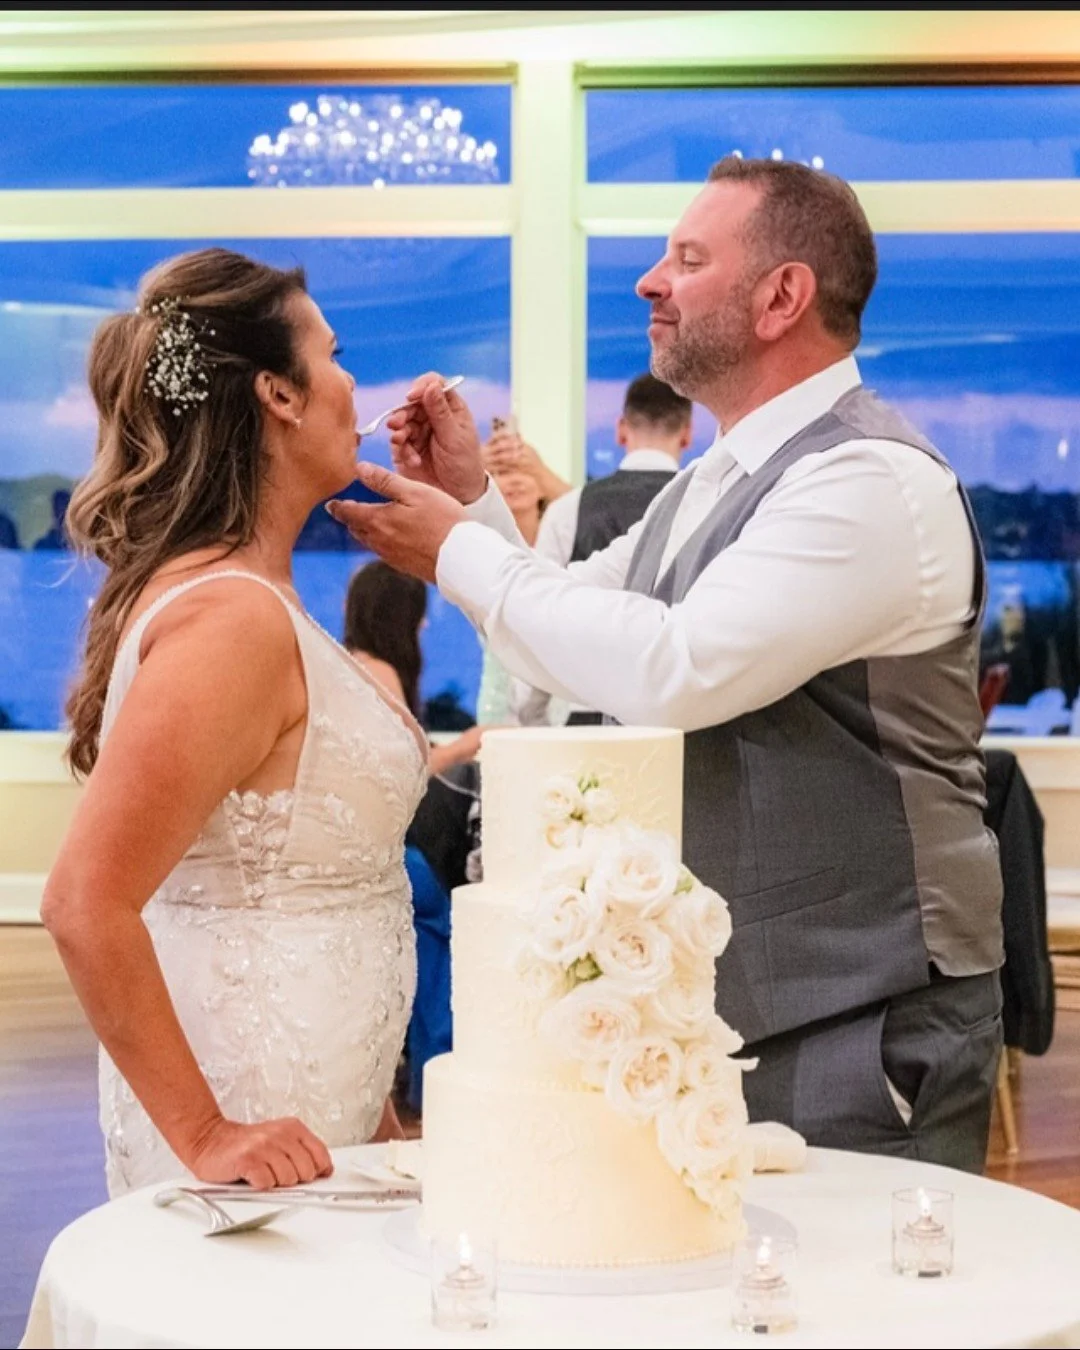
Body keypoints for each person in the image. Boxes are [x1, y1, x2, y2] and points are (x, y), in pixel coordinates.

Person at [328, 156, 1006, 1173]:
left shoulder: (871, 481)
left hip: (862, 1019)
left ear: (781, 297)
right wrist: (473, 506)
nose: (650, 282)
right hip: (730, 1014)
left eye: (688, 260)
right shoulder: (707, 484)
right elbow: (575, 637)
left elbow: (675, 670)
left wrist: (457, 549)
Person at [41, 247, 427, 1196]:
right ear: (278, 394)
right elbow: (83, 902)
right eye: (333, 357)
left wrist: (374, 1107)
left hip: (321, 1101)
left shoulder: (257, 597)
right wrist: (208, 1134)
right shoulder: (233, 620)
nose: (351, 385)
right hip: (255, 1107)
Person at [515, 373, 691, 725]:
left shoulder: (569, 509)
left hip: (586, 718)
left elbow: (536, 614)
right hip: (680, 717)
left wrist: (532, 717)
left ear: (621, 430)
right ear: (687, 434)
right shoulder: (701, 507)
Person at [343, 559, 482, 775]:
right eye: (418, 613)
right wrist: (463, 746)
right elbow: (400, 772)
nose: (424, 623)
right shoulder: (378, 674)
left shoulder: (351, 665)